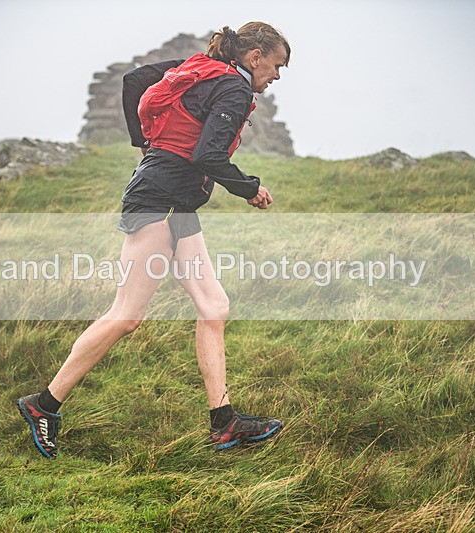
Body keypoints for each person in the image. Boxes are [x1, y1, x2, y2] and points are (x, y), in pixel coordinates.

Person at [17, 22, 291, 457]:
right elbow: (208, 155)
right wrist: (250, 188)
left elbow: (135, 81)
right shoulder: (234, 90)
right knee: (126, 316)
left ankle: (224, 423)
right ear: (255, 57)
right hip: (160, 201)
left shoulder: (200, 67)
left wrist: (144, 145)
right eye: (277, 65)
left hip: (175, 202)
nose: (277, 76)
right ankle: (43, 406)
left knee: (213, 306)